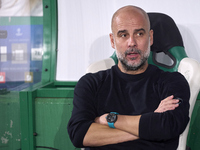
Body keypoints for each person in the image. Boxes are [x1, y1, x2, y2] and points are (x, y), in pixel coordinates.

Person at [67, 5, 190, 150]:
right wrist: (150, 124)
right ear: (113, 41)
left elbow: (169, 125)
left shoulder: (172, 81)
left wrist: (110, 120)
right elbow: (79, 134)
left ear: (150, 38)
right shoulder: (91, 83)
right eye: (123, 35)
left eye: (139, 34)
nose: (132, 42)